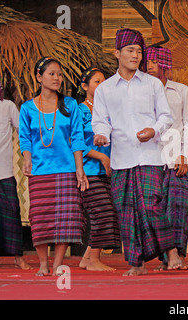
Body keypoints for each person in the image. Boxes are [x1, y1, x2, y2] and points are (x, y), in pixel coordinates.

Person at [92, 28, 181, 276]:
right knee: (126, 212)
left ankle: (171, 251)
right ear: (117, 53)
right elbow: (100, 121)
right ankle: (136, 264)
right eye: (130, 51)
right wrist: (101, 134)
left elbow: (166, 116)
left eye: (139, 51)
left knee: (151, 206)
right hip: (121, 159)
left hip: (151, 156)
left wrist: (153, 130)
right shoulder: (105, 89)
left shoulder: (152, 84)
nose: (136, 56)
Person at [19, 57, 89, 276]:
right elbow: (25, 139)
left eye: (59, 74)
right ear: (39, 77)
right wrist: (27, 159)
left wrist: (80, 169)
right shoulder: (28, 108)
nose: (57, 78)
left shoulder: (70, 105)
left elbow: (77, 138)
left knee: (66, 218)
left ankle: (58, 263)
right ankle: (43, 263)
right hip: (40, 171)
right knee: (41, 217)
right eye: (52, 74)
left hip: (66, 170)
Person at [145, 45, 188, 270]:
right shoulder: (140, 92)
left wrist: (185, 155)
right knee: (155, 208)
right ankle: (167, 254)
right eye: (147, 61)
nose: (148, 65)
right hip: (149, 158)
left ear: (164, 65)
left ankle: (178, 256)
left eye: (154, 61)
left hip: (176, 158)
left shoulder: (181, 91)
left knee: (179, 207)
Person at [76, 67, 121, 271]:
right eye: (96, 81)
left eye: (104, 81)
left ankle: (87, 258)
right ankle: (93, 259)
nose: (101, 85)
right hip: (88, 171)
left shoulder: (109, 110)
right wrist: (101, 156)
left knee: (108, 212)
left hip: (109, 171)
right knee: (102, 212)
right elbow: (74, 141)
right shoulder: (80, 110)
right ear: (85, 86)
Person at [0, 64, 31, 270]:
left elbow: (23, 133)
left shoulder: (7, 106)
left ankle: (18, 257)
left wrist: (27, 157)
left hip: (3, 171)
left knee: (11, 214)